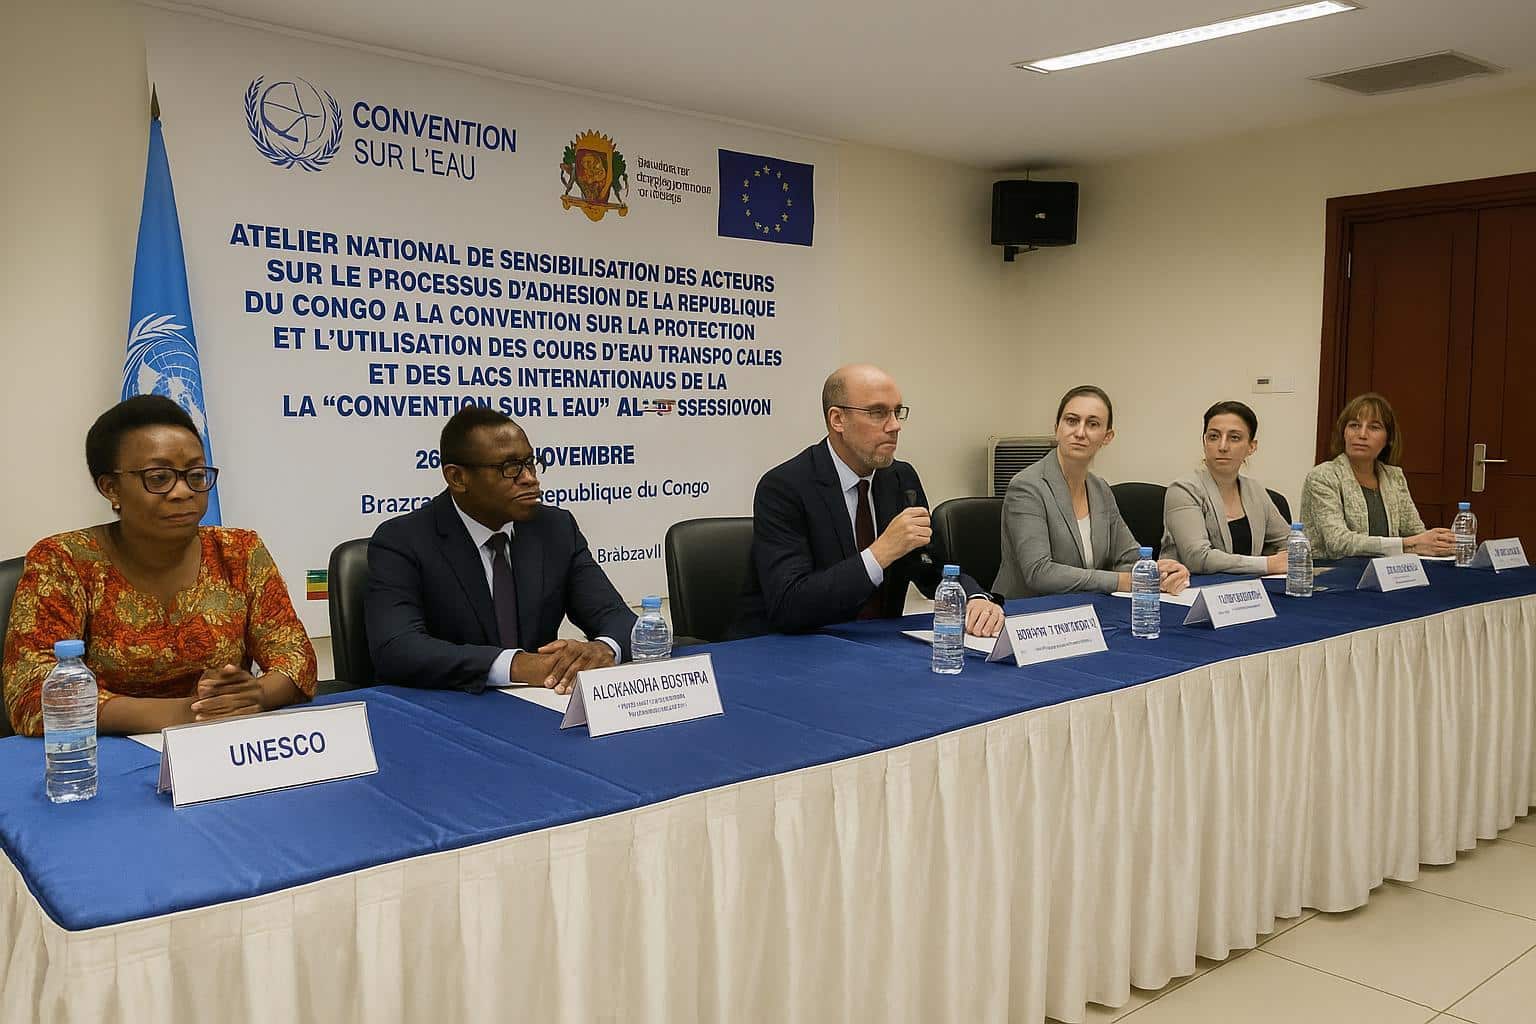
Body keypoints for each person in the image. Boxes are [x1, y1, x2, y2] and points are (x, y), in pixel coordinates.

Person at [1, 396, 316, 738]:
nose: (183, 492)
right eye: (159, 477)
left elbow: (296, 657)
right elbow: (32, 693)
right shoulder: (64, 561)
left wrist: (255, 694)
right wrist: (186, 712)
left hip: (221, 744)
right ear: (111, 488)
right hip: (107, 753)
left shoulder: (239, 551)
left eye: (195, 475)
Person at [365, 406, 635, 696]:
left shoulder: (555, 528)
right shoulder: (403, 540)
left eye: (530, 463)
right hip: (451, 707)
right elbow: (397, 648)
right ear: (457, 478)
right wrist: (516, 665)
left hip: (541, 704)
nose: (529, 478)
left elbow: (618, 619)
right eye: (510, 468)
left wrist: (603, 648)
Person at [730, 364, 1005, 639]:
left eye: (897, 412)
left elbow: (930, 565)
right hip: (791, 647)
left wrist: (974, 597)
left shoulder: (900, 478)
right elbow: (789, 604)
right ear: (837, 419)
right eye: (878, 413)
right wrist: (880, 553)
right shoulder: (784, 487)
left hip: (875, 645)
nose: (894, 425)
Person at [994, 385, 1190, 598]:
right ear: (1057, 428)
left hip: (1084, 606)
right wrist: (1122, 581)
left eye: (1092, 424)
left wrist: (1162, 571)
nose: (1080, 433)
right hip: (1029, 611)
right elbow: (1039, 573)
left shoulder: (1100, 489)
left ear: (1107, 437)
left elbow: (1129, 557)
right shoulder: (1027, 486)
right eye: (1071, 421)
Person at [1300, 392, 1455, 559]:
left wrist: (1439, 542)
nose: (1362, 434)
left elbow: (1415, 533)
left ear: (1388, 439)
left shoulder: (1394, 476)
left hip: (1385, 569)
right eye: (1354, 425)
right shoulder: (1323, 476)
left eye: (1374, 427)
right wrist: (1408, 544)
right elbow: (1338, 542)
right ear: (1344, 433)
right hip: (1331, 570)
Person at [1160, 401, 1291, 575]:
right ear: (1204, 442)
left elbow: (1291, 544)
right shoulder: (1183, 490)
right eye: (1214, 437)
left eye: (1234, 438)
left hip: (1246, 588)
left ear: (1251, 447)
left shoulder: (1255, 490)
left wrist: (1286, 556)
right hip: (1192, 587)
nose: (1222, 447)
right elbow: (1197, 558)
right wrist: (1268, 564)